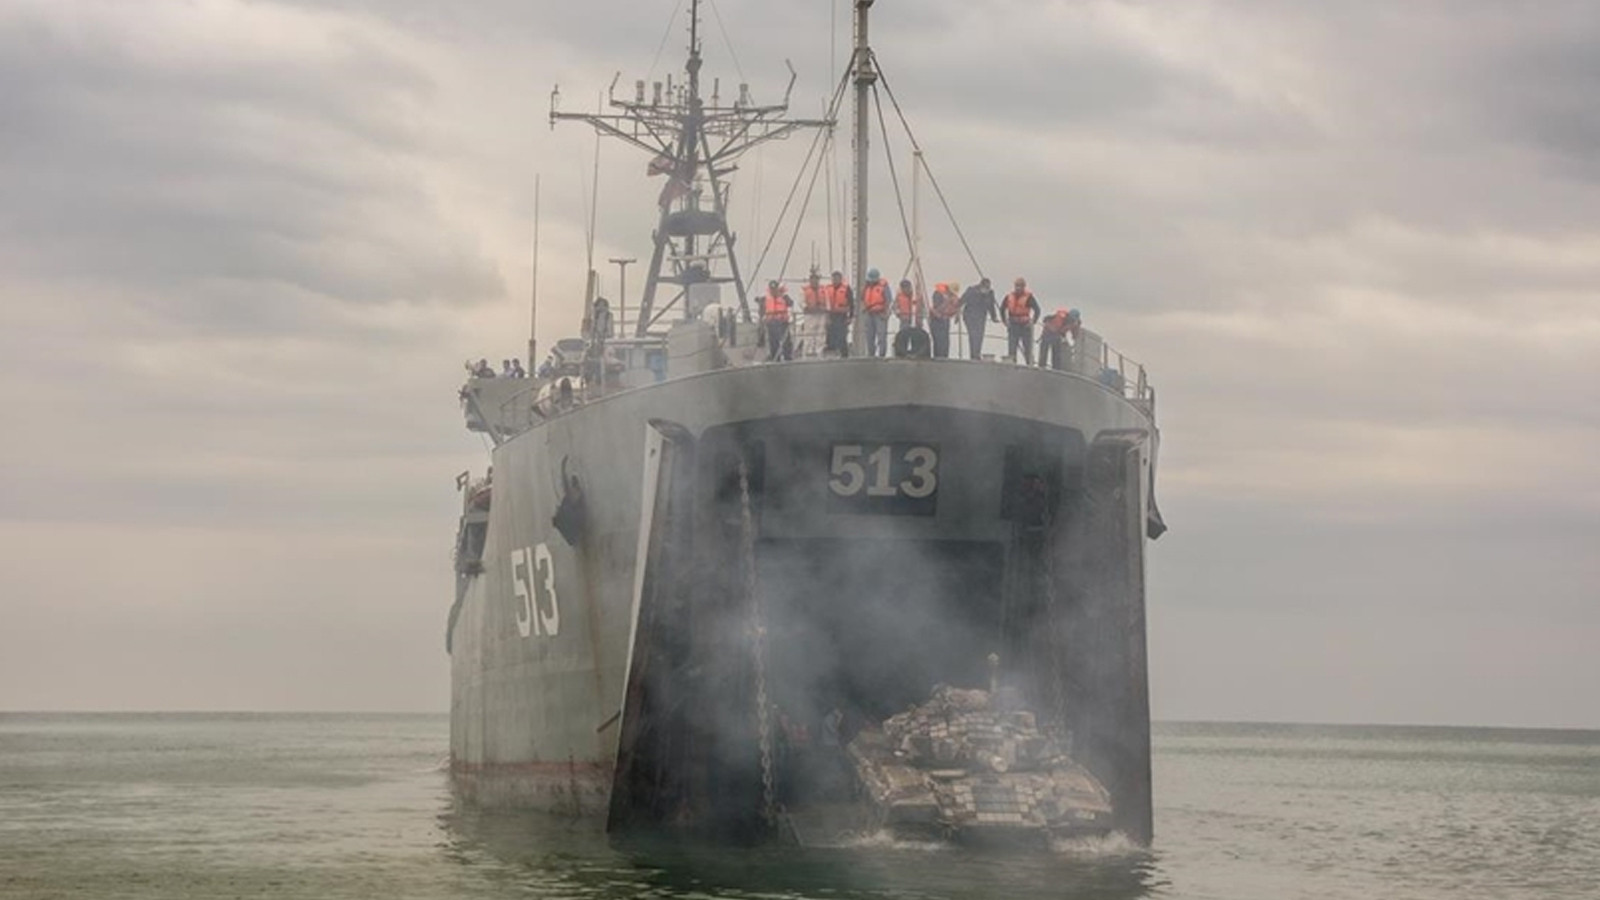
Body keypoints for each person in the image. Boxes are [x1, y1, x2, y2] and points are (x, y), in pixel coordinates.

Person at [1002, 276, 1040, 365]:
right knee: (1012, 348)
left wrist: (1032, 322)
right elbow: (1002, 309)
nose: (1018, 288)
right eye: (1017, 285)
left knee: (1027, 348)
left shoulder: (1029, 297)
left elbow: (1037, 310)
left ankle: (1029, 365)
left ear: (1024, 286)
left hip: (1025, 326)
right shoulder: (1009, 296)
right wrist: (1004, 321)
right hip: (1013, 325)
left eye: (1020, 286)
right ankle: (1012, 366)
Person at [959, 278, 999, 360]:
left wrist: (994, 317)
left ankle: (977, 354)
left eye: (988, 287)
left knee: (980, 335)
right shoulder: (971, 290)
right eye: (985, 287)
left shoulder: (990, 293)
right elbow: (962, 301)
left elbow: (991, 306)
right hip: (969, 317)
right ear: (981, 285)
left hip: (981, 317)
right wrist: (956, 312)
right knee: (973, 335)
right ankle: (973, 354)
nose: (987, 289)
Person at [821, 270, 853, 357]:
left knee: (842, 336)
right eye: (834, 278)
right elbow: (825, 301)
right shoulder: (828, 289)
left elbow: (851, 303)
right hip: (831, 315)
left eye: (837, 278)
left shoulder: (846, 288)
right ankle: (831, 353)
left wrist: (850, 317)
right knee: (830, 335)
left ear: (840, 279)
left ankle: (844, 354)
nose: (835, 280)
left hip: (842, 315)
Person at [860, 268, 891, 357]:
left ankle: (882, 355)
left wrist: (886, 313)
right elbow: (862, 298)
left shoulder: (883, 286)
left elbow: (888, 300)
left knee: (881, 335)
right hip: (869, 314)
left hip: (880, 314)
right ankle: (871, 354)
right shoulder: (867, 287)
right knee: (869, 336)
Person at [762, 279, 793, 362]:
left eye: (775, 289)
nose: (773, 291)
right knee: (773, 342)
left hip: (782, 322)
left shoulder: (784, 297)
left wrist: (784, 295)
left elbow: (791, 303)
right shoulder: (766, 299)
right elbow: (762, 311)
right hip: (771, 323)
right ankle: (775, 358)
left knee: (786, 341)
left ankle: (788, 357)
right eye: (772, 289)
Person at [928, 282, 961, 358]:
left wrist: (957, 315)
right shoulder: (938, 294)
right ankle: (938, 356)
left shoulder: (953, 297)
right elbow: (936, 308)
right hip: (936, 320)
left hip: (946, 320)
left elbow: (958, 306)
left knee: (945, 340)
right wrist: (946, 302)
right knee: (938, 340)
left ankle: (945, 356)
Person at [799, 271, 828, 358]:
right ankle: (807, 352)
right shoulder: (804, 290)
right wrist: (806, 308)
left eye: (816, 279)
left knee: (821, 333)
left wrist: (827, 311)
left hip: (821, 314)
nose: (815, 281)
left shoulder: (823, 289)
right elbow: (801, 302)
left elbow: (827, 301)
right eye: (813, 279)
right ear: (810, 280)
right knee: (808, 333)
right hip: (810, 315)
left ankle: (819, 352)